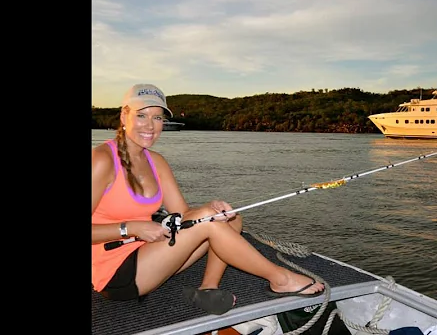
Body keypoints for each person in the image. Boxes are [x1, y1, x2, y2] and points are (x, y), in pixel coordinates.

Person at [91, 83, 324, 315]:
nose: (150, 126)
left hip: (150, 254)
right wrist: (130, 228)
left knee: (231, 221)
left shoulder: (157, 162)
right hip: (116, 273)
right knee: (211, 223)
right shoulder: (102, 160)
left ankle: (207, 288)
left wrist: (209, 208)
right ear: (124, 115)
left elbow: (182, 215)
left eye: (158, 118)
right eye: (141, 115)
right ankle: (280, 279)